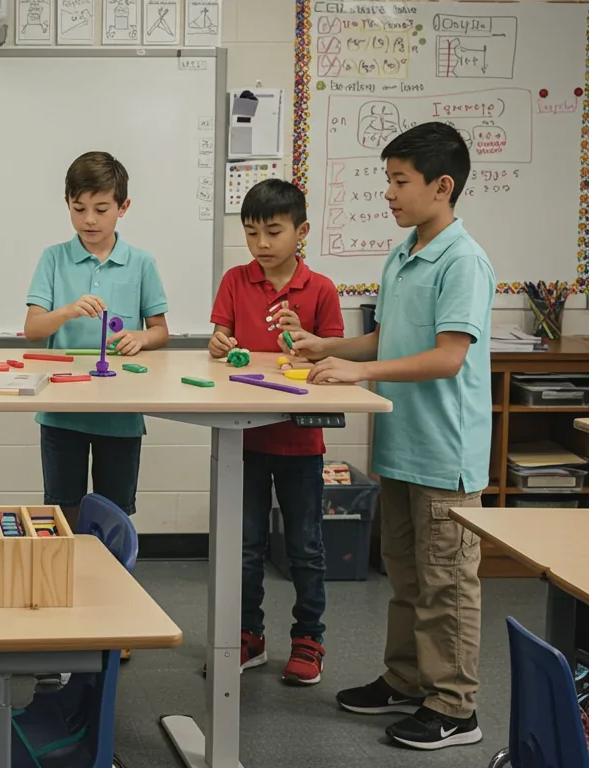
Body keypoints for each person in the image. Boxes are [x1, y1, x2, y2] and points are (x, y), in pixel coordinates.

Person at [284, 122, 493, 750]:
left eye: (400, 181)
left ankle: (455, 707)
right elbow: (392, 337)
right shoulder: (404, 253)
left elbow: (448, 355)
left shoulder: (463, 260)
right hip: (401, 445)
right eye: (388, 180)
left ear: (442, 185)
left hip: (443, 452)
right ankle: (406, 682)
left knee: (447, 585)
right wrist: (332, 346)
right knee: (406, 577)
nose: (390, 193)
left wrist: (361, 370)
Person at [208, 178, 343, 685]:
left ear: (300, 230)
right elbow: (220, 338)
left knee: (306, 547)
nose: (262, 245)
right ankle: (248, 635)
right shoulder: (235, 281)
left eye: (273, 231)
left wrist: (304, 342)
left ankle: (309, 638)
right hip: (244, 438)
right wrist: (219, 344)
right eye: (251, 233)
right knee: (245, 548)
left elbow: (334, 358)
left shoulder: (321, 290)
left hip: (299, 440)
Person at [23, 150, 171, 531]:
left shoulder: (141, 262)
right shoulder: (53, 258)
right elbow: (33, 328)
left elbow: (160, 330)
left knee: (114, 513)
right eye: (79, 208)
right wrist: (68, 310)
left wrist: (141, 337)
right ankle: (64, 589)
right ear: (67, 205)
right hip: (62, 410)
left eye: (101, 209)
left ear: (124, 207)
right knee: (62, 511)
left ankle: (110, 587)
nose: (89, 219)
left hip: (120, 411)